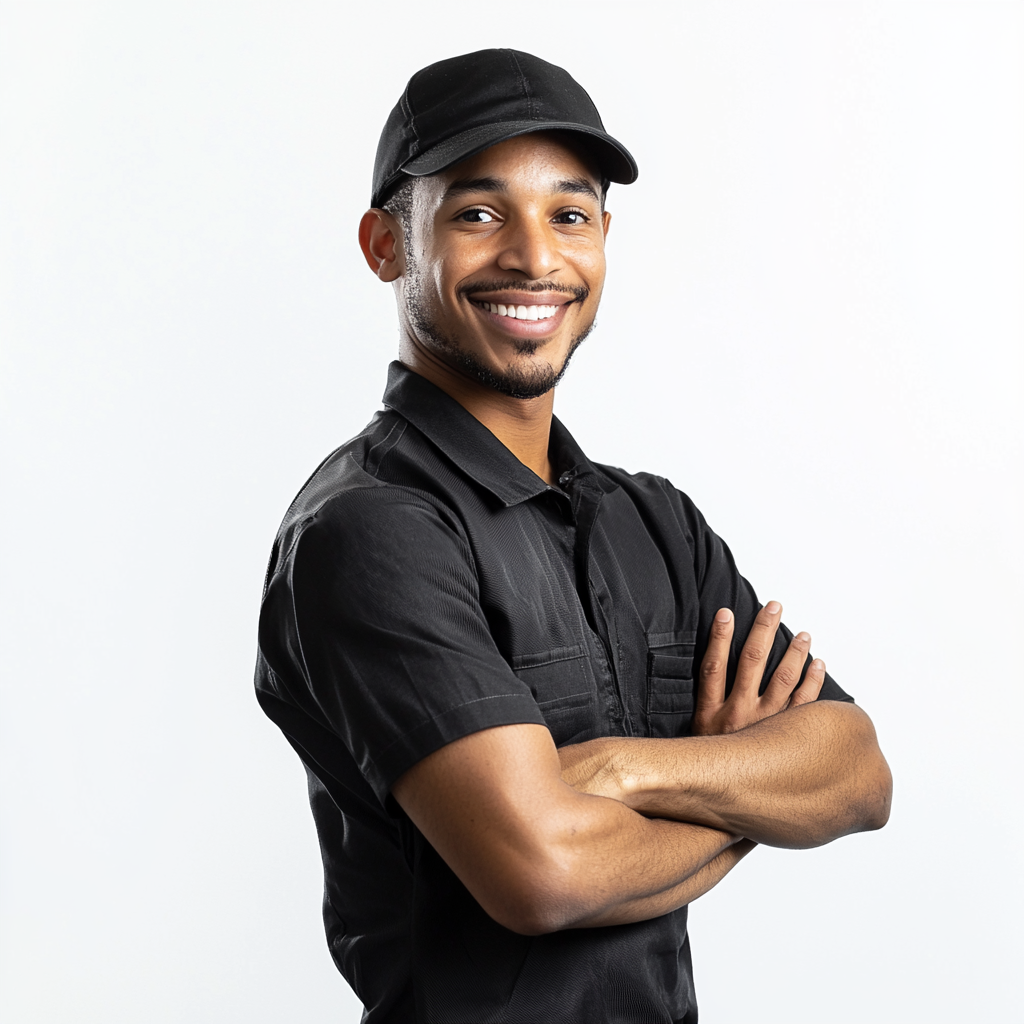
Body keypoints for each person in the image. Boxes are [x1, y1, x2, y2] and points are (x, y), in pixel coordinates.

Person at [255, 48, 892, 1023]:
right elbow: (543, 871)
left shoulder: (655, 522)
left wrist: (629, 767)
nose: (534, 256)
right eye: (476, 212)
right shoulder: (371, 530)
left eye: (570, 213)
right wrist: (747, 797)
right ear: (384, 243)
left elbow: (854, 772)